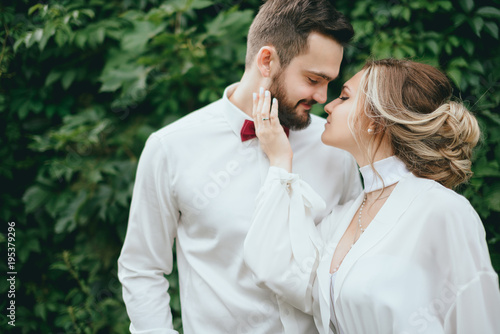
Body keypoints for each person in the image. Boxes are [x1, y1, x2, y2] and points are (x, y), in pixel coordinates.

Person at [117, 1, 362, 333]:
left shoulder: (336, 149)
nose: (323, 96)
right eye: (313, 79)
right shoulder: (170, 148)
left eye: (329, 82)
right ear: (266, 61)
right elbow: (142, 267)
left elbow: (354, 262)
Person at [244, 58, 500, 334]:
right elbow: (276, 269)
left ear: (377, 119)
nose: (327, 105)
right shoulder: (342, 217)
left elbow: (477, 319)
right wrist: (280, 161)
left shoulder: (442, 210)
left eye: (344, 97)